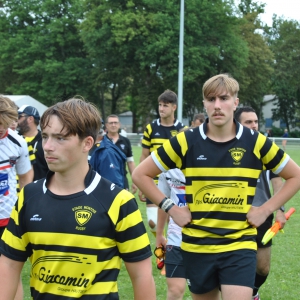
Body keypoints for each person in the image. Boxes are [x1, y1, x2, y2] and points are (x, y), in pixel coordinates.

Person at [132, 74, 300, 300]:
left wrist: (265, 210)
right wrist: (171, 208)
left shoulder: (255, 141)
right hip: (196, 246)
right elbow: (140, 174)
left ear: (236, 102)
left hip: (239, 245)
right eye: (211, 99)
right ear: (204, 103)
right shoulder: (186, 141)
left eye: (224, 98)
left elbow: (295, 176)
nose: (217, 105)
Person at [0, 98, 156, 299]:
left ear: (87, 143)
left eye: (60, 138)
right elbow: (9, 264)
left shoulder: (119, 201)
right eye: (45, 136)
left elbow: (142, 276)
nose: (47, 146)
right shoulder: (29, 196)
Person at [235, 106, 286, 300]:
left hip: (263, 214)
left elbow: (277, 180)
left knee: (263, 268)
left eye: (256, 121)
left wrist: (279, 210)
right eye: (249, 122)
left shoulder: (266, 147)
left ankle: (253, 291)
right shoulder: (227, 148)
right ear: (238, 124)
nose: (254, 125)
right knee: (236, 265)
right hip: (235, 216)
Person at [139, 89, 186, 236]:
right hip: (153, 181)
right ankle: (161, 239)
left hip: (174, 182)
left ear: (174, 107)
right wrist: (141, 184)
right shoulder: (151, 128)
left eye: (165, 105)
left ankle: (166, 249)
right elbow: (144, 155)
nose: (161, 108)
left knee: (172, 221)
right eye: (160, 105)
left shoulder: (181, 129)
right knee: (153, 222)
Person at [0, 96, 33, 300]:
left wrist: (24, 204)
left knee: (10, 270)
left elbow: (26, 175)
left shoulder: (17, 142)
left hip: (8, 218)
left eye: (2, 126)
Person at [156, 168, 187, 300]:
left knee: (206, 291)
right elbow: (163, 200)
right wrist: (159, 235)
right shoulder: (168, 165)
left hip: (206, 239)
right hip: (176, 237)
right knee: (174, 290)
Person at [105, 114, 137, 193]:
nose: (113, 125)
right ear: (106, 125)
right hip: (104, 180)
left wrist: (135, 181)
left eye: (115, 123)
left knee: (121, 204)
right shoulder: (101, 141)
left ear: (119, 125)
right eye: (111, 123)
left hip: (122, 180)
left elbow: (130, 162)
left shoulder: (125, 141)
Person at [17, 105, 49, 180]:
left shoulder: (45, 142)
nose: (17, 120)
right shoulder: (15, 140)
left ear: (30, 119)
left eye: (19, 117)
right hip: (16, 190)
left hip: (39, 189)